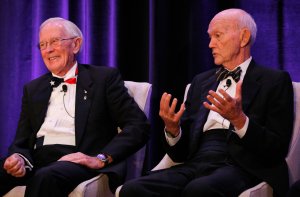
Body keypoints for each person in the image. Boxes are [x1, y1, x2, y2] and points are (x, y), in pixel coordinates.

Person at [119, 8, 293, 197]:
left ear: (244, 37)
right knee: (133, 189)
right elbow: (179, 154)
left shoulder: (274, 81)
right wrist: (173, 130)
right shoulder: (201, 82)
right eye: (210, 37)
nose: (210, 44)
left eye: (217, 36)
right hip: (197, 161)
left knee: (199, 190)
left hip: (242, 164)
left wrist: (239, 119)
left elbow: (277, 146)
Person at [0, 17, 150, 197]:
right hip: (37, 160)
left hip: (79, 160)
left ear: (76, 45)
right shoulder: (33, 89)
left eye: (54, 41)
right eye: (43, 44)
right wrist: (18, 157)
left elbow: (138, 126)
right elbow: (21, 142)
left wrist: (101, 158)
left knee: (45, 178)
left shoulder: (104, 79)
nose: (48, 50)